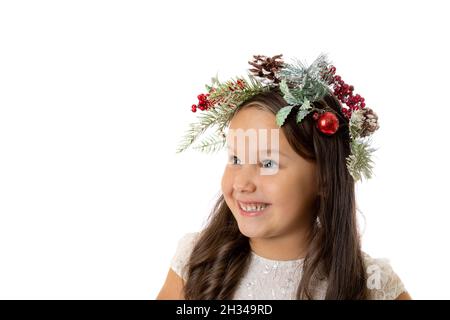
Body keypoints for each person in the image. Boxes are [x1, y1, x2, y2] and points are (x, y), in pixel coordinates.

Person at [157, 54, 411, 300]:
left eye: (268, 163)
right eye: (235, 159)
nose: (242, 184)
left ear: (324, 178)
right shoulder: (196, 261)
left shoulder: (372, 284)